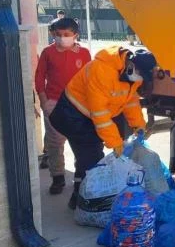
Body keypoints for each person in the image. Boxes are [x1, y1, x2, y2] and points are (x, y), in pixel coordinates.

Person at [49, 45, 157, 209]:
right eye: (140, 74)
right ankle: (81, 200)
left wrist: (139, 125)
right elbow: (100, 115)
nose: (140, 79)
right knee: (90, 158)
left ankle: (89, 195)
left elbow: (130, 101)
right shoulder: (102, 71)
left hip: (93, 115)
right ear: (131, 65)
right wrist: (114, 142)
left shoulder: (130, 75)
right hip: (73, 115)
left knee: (94, 157)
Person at [35, 18, 92, 195]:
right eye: (58, 35)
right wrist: (44, 101)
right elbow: (39, 77)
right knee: (55, 142)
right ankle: (58, 177)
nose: (62, 38)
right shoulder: (47, 53)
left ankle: (80, 175)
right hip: (54, 102)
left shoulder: (83, 53)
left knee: (79, 141)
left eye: (66, 35)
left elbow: (89, 79)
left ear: (75, 35)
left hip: (78, 104)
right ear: (53, 34)